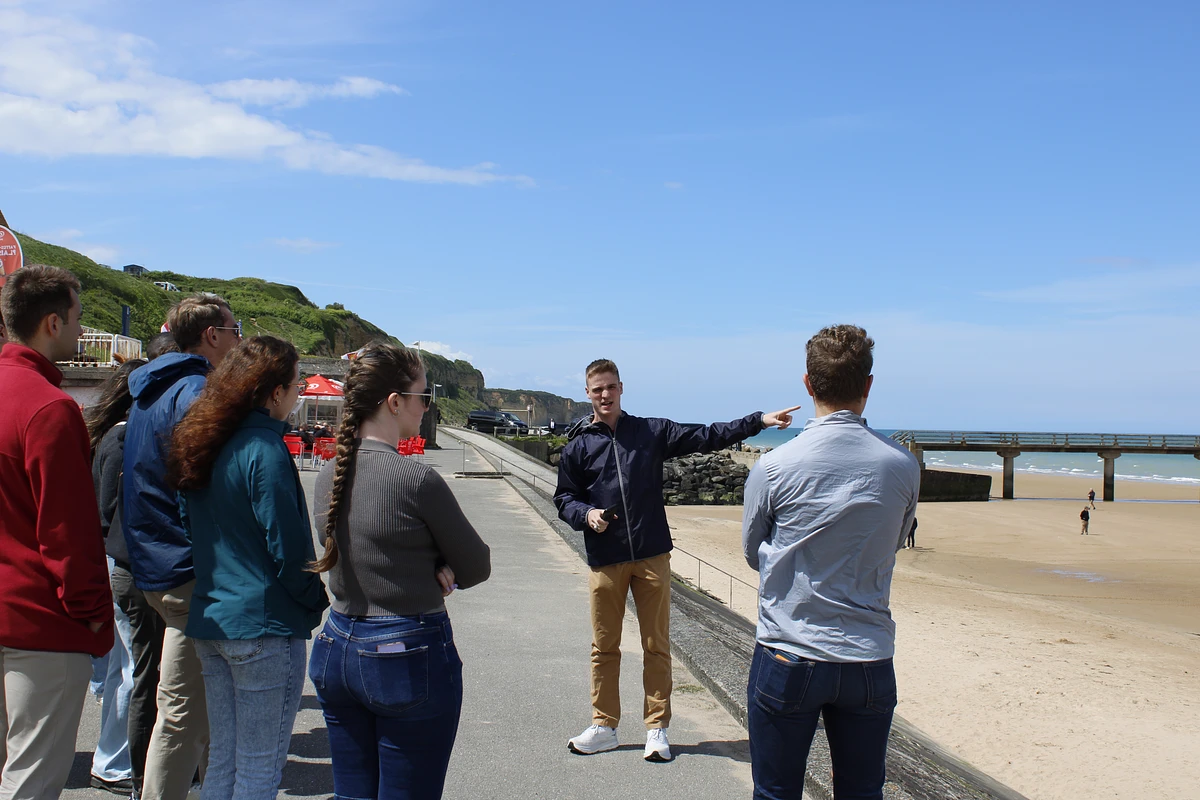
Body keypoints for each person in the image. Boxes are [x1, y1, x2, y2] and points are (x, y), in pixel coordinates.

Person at [554, 358, 800, 762]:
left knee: (656, 644)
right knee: (604, 646)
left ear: (621, 388)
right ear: (587, 393)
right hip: (605, 557)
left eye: (611, 387)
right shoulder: (579, 446)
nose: (605, 395)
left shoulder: (650, 432)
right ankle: (604, 725)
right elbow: (564, 497)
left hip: (652, 555)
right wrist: (586, 515)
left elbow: (708, 435)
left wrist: (760, 420)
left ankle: (657, 729)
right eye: (597, 389)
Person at [741, 325, 920, 800]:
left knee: (776, 793)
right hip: (868, 655)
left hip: (789, 648)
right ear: (868, 385)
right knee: (863, 793)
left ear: (808, 384)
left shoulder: (775, 466)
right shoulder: (902, 465)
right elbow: (897, 538)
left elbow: (752, 550)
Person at [310, 342, 491, 800]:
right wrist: (437, 565)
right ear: (394, 402)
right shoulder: (416, 479)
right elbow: (476, 564)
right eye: (423, 396)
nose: (425, 406)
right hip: (404, 652)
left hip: (336, 645)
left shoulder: (327, 475)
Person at [168, 336, 329, 800]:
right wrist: (313, 600)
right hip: (263, 623)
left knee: (223, 761)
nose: (298, 395)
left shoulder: (204, 441)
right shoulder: (266, 450)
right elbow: (289, 545)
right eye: (295, 386)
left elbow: (187, 522)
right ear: (274, 392)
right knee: (259, 770)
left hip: (212, 616)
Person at [0, 265, 114, 800]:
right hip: (39, 625)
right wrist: (94, 616)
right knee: (31, 778)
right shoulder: (49, 407)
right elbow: (67, 531)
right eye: (76, 318)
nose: (78, 329)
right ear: (52, 323)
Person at [123, 293, 240, 800]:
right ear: (211, 335)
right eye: (234, 331)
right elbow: (210, 490)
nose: (239, 341)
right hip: (190, 573)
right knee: (186, 715)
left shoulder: (150, 390)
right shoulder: (196, 392)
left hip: (156, 564)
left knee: (202, 712)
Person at [86, 358, 150, 795]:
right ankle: (114, 760)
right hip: (119, 559)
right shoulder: (124, 435)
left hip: (110, 558)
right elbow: (107, 507)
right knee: (130, 670)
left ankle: (111, 757)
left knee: (119, 667)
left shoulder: (110, 434)